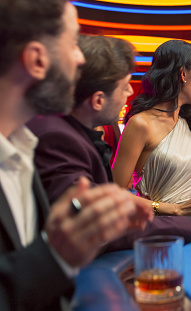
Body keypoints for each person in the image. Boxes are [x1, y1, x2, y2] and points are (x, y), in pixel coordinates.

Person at [0, 1, 152, 310]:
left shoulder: (21, 147)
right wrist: (55, 255)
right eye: (72, 43)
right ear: (37, 60)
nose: (80, 58)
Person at [27, 35, 191, 250]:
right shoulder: (140, 124)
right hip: (163, 232)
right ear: (183, 74)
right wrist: (178, 212)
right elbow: (115, 198)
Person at [112, 40, 191, 215]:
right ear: (183, 74)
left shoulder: (190, 124)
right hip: (161, 227)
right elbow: (115, 194)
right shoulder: (141, 124)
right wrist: (173, 209)